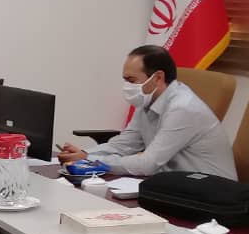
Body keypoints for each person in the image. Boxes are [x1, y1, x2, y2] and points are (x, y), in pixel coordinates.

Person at [57, 45, 237, 178]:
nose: (127, 86)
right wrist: (86, 154)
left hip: (211, 193)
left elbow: (147, 164)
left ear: (157, 77)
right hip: (176, 185)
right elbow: (125, 145)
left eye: (131, 80)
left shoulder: (183, 108)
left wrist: (92, 162)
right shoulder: (147, 99)